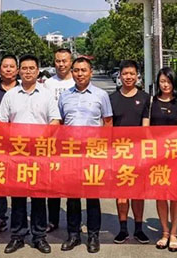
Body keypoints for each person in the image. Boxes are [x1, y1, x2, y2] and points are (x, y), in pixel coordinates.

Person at [0, 55, 60, 254]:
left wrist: (40, 138)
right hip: (17, 153)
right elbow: (1, 122)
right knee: (18, 197)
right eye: (24, 68)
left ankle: (39, 236)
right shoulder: (10, 95)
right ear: (18, 71)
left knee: (39, 196)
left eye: (31, 68)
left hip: (40, 153)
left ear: (37, 70)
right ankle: (17, 236)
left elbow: (55, 121)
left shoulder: (47, 95)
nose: (28, 72)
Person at [58, 57, 113, 253]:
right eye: (76, 70)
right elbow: (61, 124)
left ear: (91, 72)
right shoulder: (65, 96)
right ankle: (73, 235)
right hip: (71, 154)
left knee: (92, 196)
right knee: (72, 197)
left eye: (83, 70)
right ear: (72, 72)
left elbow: (107, 123)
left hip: (93, 153)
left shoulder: (101, 95)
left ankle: (93, 235)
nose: (80, 74)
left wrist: (105, 151)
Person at [108, 60, 150, 245]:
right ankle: (123, 228)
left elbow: (146, 126)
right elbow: (108, 127)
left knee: (138, 192)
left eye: (132, 73)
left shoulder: (145, 97)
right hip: (118, 153)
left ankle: (139, 228)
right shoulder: (112, 99)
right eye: (125, 73)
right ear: (120, 76)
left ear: (137, 75)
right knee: (122, 192)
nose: (128, 77)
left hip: (138, 153)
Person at [147, 67, 177, 252]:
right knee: (160, 195)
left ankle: (174, 233)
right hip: (156, 156)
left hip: (174, 155)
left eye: (169, 81)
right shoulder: (151, 102)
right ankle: (164, 232)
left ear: (174, 82)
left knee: (174, 196)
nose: (165, 85)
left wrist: (167, 147)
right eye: (162, 81)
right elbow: (146, 129)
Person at [43, 48, 74, 233]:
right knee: (52, 183)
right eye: (58, 61)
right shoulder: (48, 84)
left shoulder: (76, 81)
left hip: (72, 142)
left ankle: (73, 223)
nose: (61, 64)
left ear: (71, 62)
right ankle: (52, 220)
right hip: (51, 141)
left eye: (64, 61)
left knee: (71, 183)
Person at [0, 54, 18, 236]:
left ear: (17, 69)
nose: (8, 69)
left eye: (11, 66)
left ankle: (18, 220)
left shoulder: (24, 90)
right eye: (5, 66)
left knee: (18, 183)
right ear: (0, 70)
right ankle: (0, 219)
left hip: (20, 146)